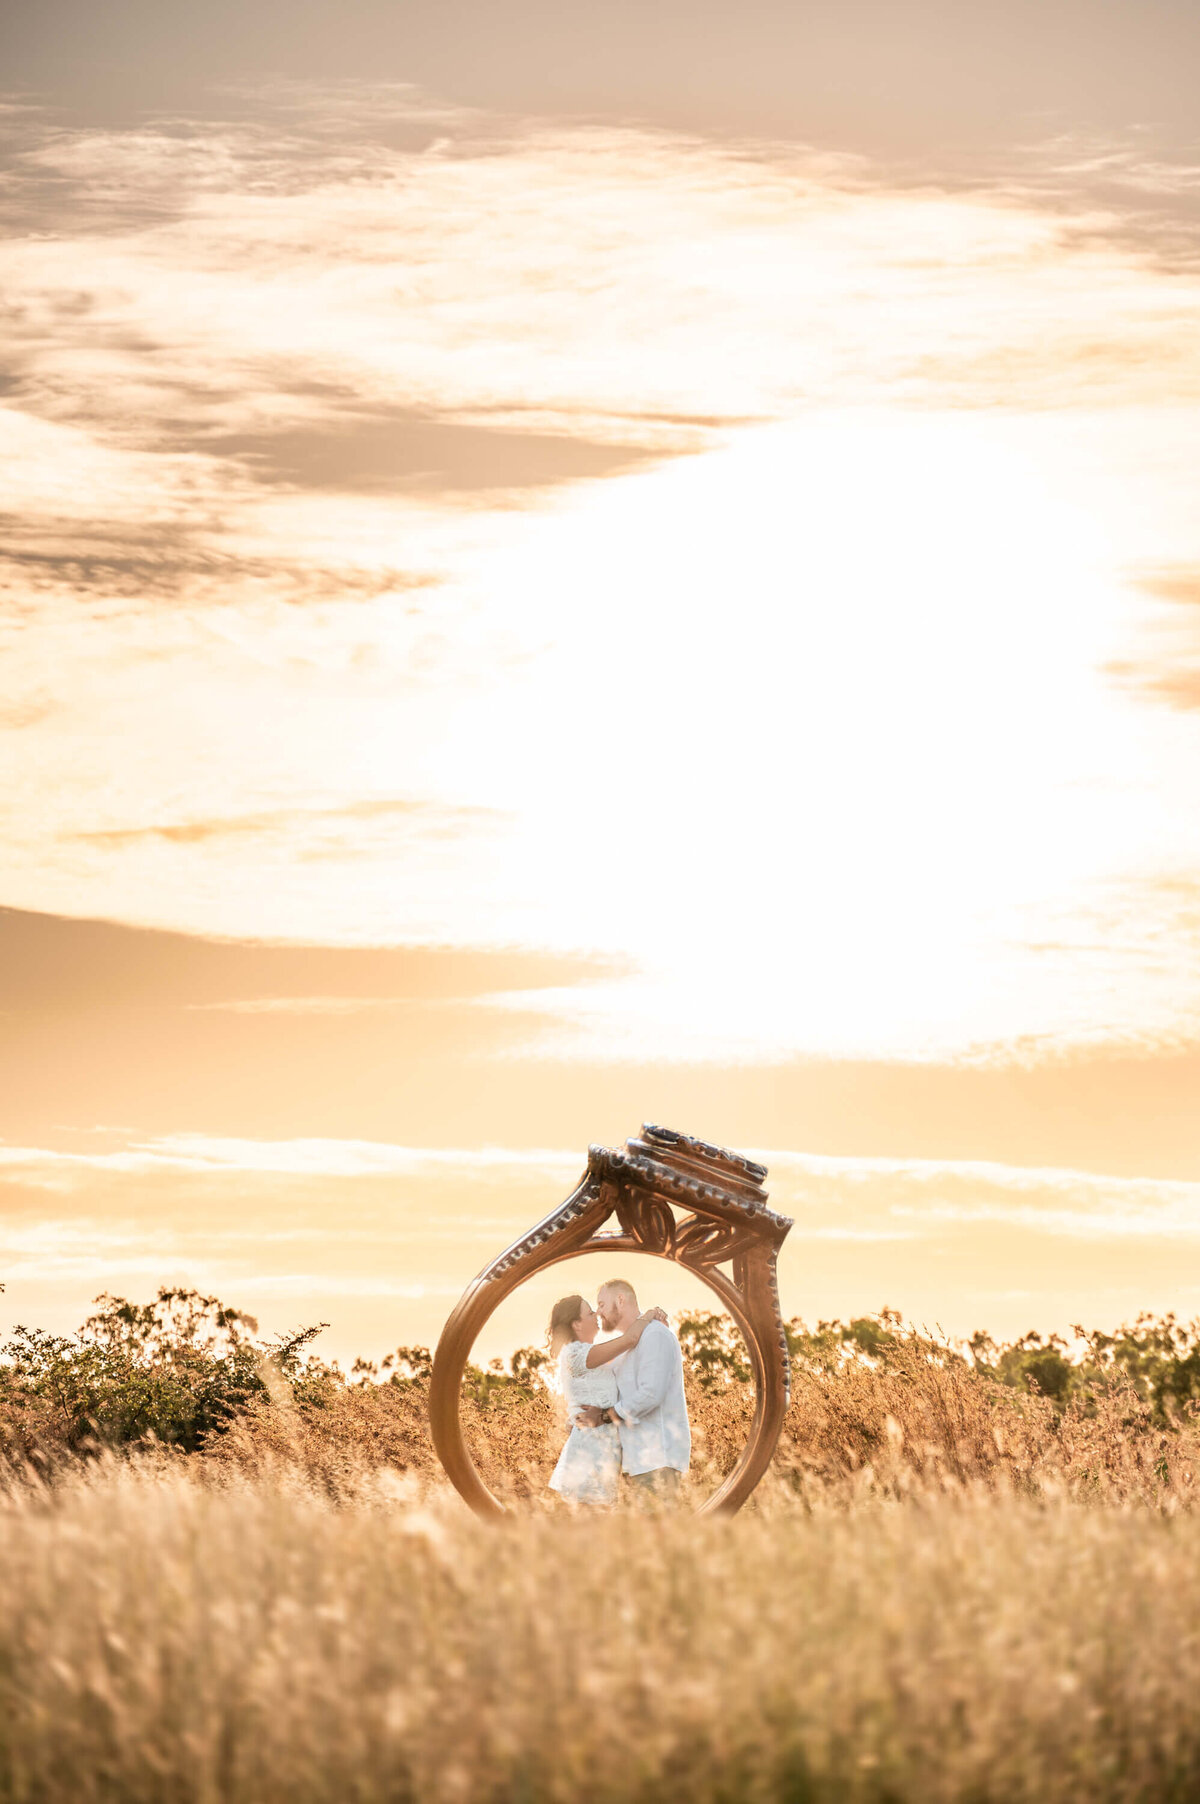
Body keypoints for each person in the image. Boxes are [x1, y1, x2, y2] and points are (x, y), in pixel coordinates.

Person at [576, 1277, 691, 1502]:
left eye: (601, 1304)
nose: (598, 1313)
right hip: (637, 1461)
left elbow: (650, 1395)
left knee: (655, 1534)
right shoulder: (628, 1345)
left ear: (620, 1300)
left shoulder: (655, 1335)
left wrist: (602, 1416)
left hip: (658, 1458)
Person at [546, 1293, 666, 1507]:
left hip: (601, 1448)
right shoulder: (576, 1354)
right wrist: (648, 1315)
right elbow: (630, 1339)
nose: (597, 1315)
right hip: (590, 1451)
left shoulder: (590, 1354)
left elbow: (630, 1354)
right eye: (590, 1312)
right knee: (592, 1521)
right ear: (577, 1324)